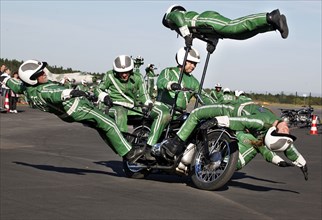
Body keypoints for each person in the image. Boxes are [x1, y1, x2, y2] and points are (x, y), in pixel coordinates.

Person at [0, 59, 145, 163]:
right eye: (40, 74)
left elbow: (14, 83)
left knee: (102, 127)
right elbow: (56, 93)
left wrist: (4, 78)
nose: (44, 73)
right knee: (109, 124)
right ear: (32, 79)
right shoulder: (43, 90)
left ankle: (121, 147)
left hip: (68, 113)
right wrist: (73, 92)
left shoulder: (26, 89)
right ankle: (130, 153)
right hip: (78, 108)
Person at [161, 99, 308, 180]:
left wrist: (301, 163)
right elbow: (240, 120)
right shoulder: (261, 122)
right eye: (286, 132)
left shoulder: (270, 129)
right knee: (196, 113)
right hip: (230, 109)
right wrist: (218, 120)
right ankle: (176, 143)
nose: (287, 131)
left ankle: (199, 157)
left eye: (285, 133)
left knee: (246, 148)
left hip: (238, 123)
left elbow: (286, 144)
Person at [94, 55, 171, 159]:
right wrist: (104, 96)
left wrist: (148, 103)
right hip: (113, 108)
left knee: (160, 113)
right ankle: (123, 142)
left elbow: (144, 95)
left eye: (127, 72)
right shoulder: (109, 75)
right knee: (120, 112)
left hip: (131, 108)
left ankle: (152, 145)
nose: (124, 75)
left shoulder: (138, 77)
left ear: (131, 70)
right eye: (121, 72)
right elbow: (98, 89)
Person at [162, 5, 289, 41]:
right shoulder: (189, 29)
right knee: (240, 35)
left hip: (205, 19)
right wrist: (212, 43)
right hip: (208, 27)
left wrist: (185, 35)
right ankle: (272, 25)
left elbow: (178, 18)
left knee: (232, 27)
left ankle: (270, 17)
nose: (172, 28)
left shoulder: (176, 15)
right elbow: (206, 34)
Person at [156, 47, 215, 111]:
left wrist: (218, 106)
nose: (193, 66)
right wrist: (170, 85)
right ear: (182, 59)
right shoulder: (169, 71)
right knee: (164, 116)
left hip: (180, 114)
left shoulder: (193, 81)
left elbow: (203, 96)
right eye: (191, 62)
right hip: (163, 110)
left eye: (195, 64)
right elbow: (160, 82)